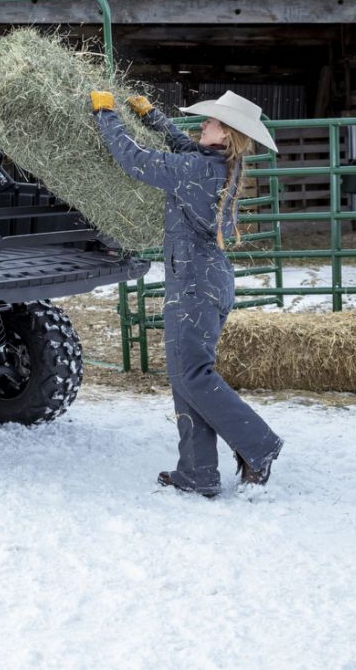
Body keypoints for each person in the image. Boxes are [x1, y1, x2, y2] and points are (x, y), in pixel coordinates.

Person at [89, 88, 284, 497]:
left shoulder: (197, 170)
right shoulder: (221, 163)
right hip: (206, 279)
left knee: (193, 374)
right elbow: (183, 146)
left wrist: (106, 114)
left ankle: (259, 445)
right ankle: (198, 471)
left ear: (225, 134)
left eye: (211, 121)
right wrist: (151, 117)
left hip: (195, 284)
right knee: (185, 374)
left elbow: (134, 160)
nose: (203, 124)